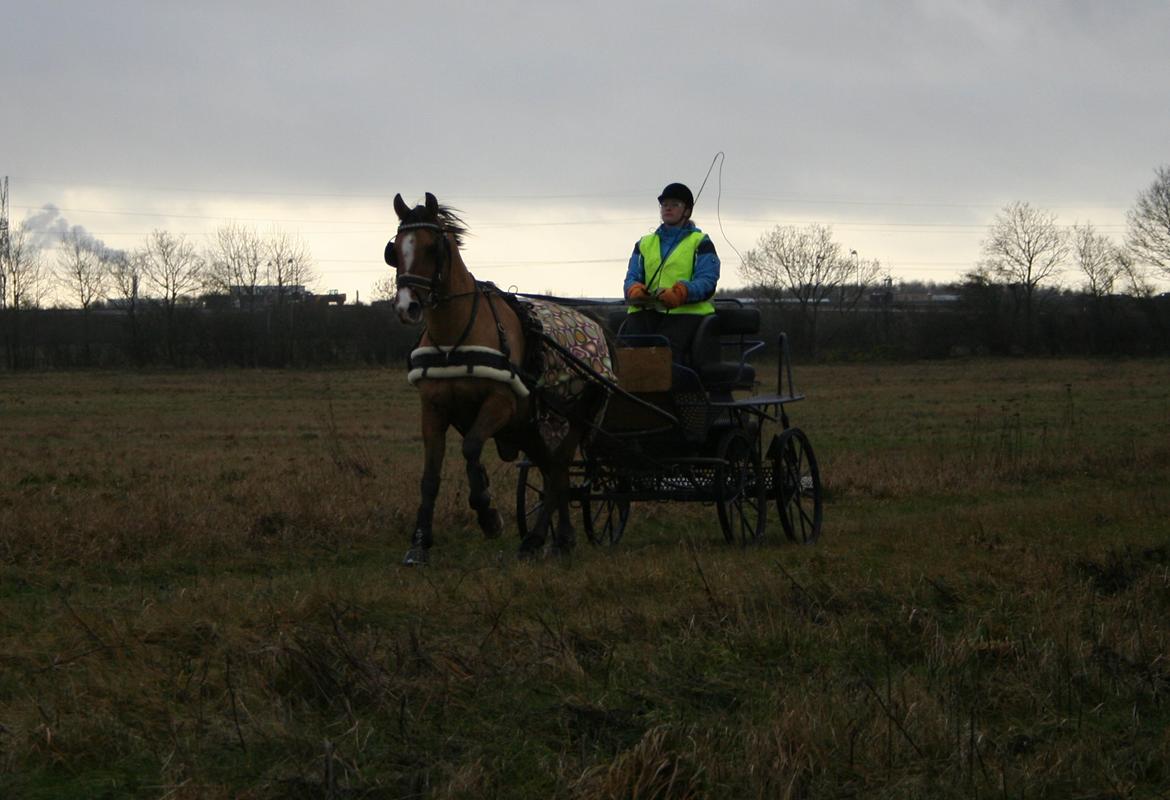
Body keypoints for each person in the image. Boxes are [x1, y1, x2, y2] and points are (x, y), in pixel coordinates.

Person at [622, 182, 720, 364]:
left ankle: (669, 389)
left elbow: (707, 280)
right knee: (628, 349)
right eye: (665, 204)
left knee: (663, 350)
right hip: (646, 311)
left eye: (675, 204)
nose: (668, 208)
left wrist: (680, 292)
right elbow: (632, 277)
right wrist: (634, 290)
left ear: (687, 211)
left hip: (686, 312)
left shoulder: (700, 242)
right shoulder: (644, 243)